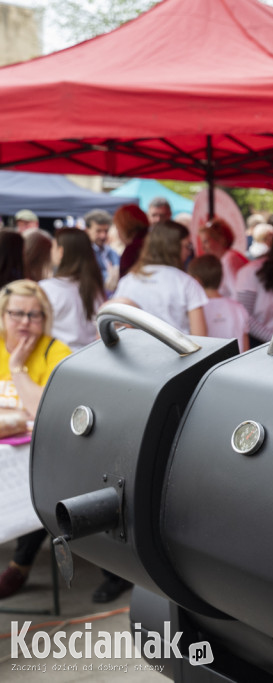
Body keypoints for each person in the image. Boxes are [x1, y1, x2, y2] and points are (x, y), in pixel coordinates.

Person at [0, 280, 72, 600]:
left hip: (39, 455)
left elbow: (41, 410)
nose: (26, 323)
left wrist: (17, 368)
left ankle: (20, 563)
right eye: (17, 314)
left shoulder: (55, 352)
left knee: (35, 488)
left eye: (35, 315)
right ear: (3, 315)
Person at [112, 221, 207, 335]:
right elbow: (201, 336)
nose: (189, 252)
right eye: (187, 246)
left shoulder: (127, 281)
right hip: (179, 351)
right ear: (174, 247)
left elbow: (116, 326)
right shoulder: (186, 283)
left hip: (137, 351)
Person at [40, 228, 105, 351]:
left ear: (61, 251)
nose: (50, 251)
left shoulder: (46, 289)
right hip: (88, 357)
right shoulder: (94, 287)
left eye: (53, 247)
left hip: (58, 360)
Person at [188, 254, 249, 352]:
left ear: (196, 280)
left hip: (211, 366)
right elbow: (245, 348)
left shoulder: (196, 310)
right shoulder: (238, 307)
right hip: (237, 364)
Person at [199, 217, 249, 297]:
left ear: (220, 239)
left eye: (206, 242)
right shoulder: (228, 258)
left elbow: (237, 294)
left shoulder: (229, 260)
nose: (203, 247)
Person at [83, 209, 120, 294]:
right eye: (98, 231)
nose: (103, 235)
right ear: (87, 230)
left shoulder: (112, 252)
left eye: (106, 231)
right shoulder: (84, 253)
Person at [114, 204, 149, 277]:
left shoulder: (132, 250)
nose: (118, 234)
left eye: (118, 228)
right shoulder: (151, 239)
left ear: (124, 227)